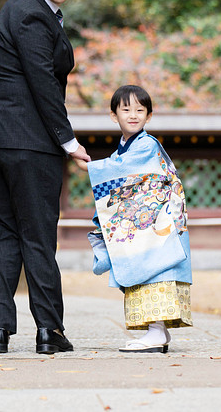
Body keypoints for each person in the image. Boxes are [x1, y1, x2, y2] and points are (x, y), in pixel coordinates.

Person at [0, 0, 91, 354]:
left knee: (5, 234)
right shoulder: (31, 13)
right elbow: (43, 80)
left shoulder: (25, 11)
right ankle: (49, 331)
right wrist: (68, 140)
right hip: (29, 142)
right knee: (38, 235)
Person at [77, 85, 192, 353]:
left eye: (140, 110)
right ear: (113, 115)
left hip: (157, 224)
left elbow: (121, 171)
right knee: (148, 271)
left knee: (155, 271)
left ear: (148, 116)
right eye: (125, 109)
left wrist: (90, 167)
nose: (133, 115)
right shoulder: (125, 149)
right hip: (148, 222)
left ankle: (155, 332)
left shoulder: (146, 145)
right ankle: (157, 330)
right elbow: (120, 176)